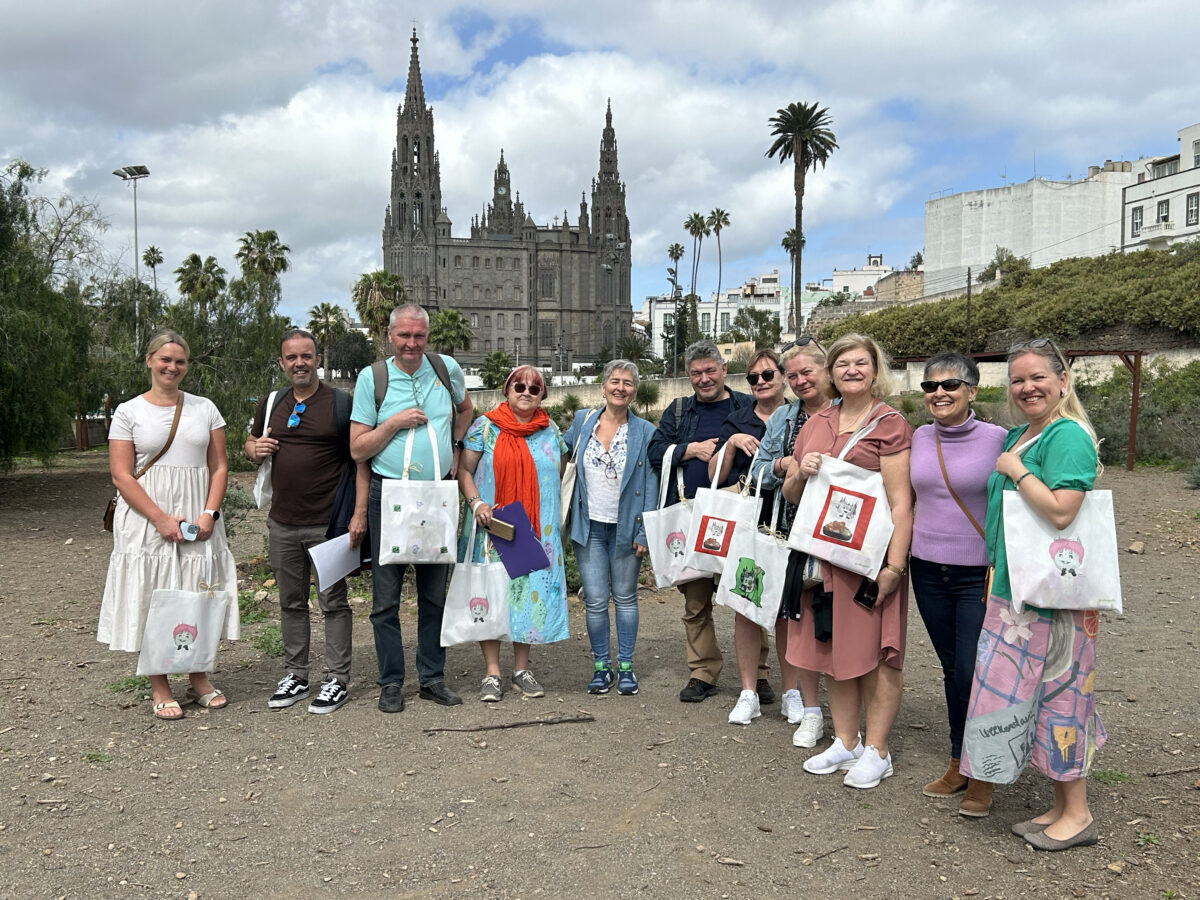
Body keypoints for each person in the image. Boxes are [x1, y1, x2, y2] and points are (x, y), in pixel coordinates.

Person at [961, 339, 1105, 851]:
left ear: (1062, 380)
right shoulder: (1026, 434)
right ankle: (1064, 806)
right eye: (1018, 380)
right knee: (1039, 696)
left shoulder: (1066, 436)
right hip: (1020, 594)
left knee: (1065, 696)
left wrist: (1014, 470)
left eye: (1038, 377)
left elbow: (1063, 510)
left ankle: (1080, 812)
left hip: (1055, 601)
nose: (1027, 388)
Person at [781, 332, 913, 789]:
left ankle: (879, 749)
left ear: (876, 369)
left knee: (877, 654)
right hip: (822, 559)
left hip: (869, 559)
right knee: (830, 648)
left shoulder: (891, 424)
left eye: (861, 362)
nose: (852, 371)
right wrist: (801, 471)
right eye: (842, 365)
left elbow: (901, 502)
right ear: (831, 374)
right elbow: (791, 494)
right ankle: (846, 739)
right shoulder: (816, 422)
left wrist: (894, 568)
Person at [99, 331, 239, 720]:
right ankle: (159, 684)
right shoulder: (128, 412)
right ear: (149, 361)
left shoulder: (205, 408)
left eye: (179, 361)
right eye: (165, 359)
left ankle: (198, 677)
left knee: (197, 595)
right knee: (154, 595)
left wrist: (208, 514)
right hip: (146, 519)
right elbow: (121, 475)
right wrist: (160, 519)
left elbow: (219, 466)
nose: (172, 367)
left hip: (199, 518)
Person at [350, 304, 474, 713]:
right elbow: (357, 448)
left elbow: (466, 409)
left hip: (436, 496)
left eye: (418, 336)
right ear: (389, 336)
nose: (411, 344)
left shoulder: (445, 369)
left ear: (427, 335)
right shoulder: (374, 378)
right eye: (404, 336)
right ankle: (390, 681)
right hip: (390, 496)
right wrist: (393, 424)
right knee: (385, 599)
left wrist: (455, 447)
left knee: (433, 595)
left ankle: (432, 678)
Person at [246, 329, 369, 715]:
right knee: (290, 603)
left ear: (318, 359)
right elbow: (250, 444)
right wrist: (255, 448)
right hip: (281, 522)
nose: (300, 362)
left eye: (307, 355)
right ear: (281, 363)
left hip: (327, 524)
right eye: (291, 357)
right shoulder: (271, 403)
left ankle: (337, 679)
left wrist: (359, 513)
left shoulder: (341, 404)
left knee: (333, 602)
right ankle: (296, 675)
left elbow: (361, 460)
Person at [909, 352, 1006, 813]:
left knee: (974, 670)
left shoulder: (999, 440)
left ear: (972, 390)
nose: (940, 393)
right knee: (953, 670)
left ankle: (983, 769)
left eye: (950, 384)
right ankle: (958, 760)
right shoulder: (919, 438)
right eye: (931, 386)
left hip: (976, 574)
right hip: (927, 569)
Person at [648, 340, 769, 704]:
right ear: (688, 376)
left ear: (722, 370)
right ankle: (703, 671)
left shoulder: (746, 406)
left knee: (747, 594)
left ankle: (758, 675)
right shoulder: (679, 411)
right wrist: (691, 449)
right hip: (691, 516)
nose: (704, 379)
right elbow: (656, 451)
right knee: (696, 600)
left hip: (737, 514)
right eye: (696, 373)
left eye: (710, 371)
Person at [457, 366, 569, 702]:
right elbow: (465, 470)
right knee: (491, 593)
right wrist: (476, 503)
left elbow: (559, 471)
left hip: (534, 529)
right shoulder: (485, 427)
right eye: (519, 386)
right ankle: (492, 672)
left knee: (528, 594)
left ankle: (522, 670)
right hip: (494, 526)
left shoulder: (550, 430)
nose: (526, 392)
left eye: (535, 389)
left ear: (542, 396)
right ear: (507, 390)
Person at [748, 340, 832, 746]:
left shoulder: (852, 412)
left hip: (840, 535)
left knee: (838, 622)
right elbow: (758, 471)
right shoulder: (785, 416)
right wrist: (784, 465)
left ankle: (847, 717)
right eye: (792, 375)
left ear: (826, 370)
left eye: (806, 373)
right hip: (789, 530)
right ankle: (805, 702)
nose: (800, 381)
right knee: (795, 615)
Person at [564, 360, 659, 695]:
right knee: (594, 600)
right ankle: (602, 666)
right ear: (603, 386)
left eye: (628, 383)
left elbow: (650, 482)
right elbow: (560, 456)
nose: (620, 387)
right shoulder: (582, 421)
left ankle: (627, 666)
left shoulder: (645, 431)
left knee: (626, 597)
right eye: (614, 381)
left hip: (626, 528)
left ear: (634, 390)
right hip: (588, 527)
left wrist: (645, 532)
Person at [707, 349, 788, 725]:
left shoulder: (800, 416)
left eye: (768, 375)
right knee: (745, 605)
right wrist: (732, 442)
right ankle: (748, 691)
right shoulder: (737, 419)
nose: (760, 382)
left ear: (783, 376)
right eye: (753, 378)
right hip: (750, 522)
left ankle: (793, 692)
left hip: (790, 520)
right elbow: (715, 474)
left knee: (790, 611)